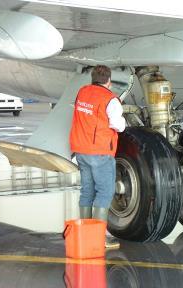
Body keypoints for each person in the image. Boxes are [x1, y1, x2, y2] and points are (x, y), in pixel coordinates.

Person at [69, 65, 125, 249]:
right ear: (109, 81)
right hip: (100, 152)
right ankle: (99, 238)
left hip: (81, 151)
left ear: (92, 79)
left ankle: (86, 233)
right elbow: (119, 126)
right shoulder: (110, 99)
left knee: (87, 191)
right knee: (105, 192)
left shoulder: (82, 92)